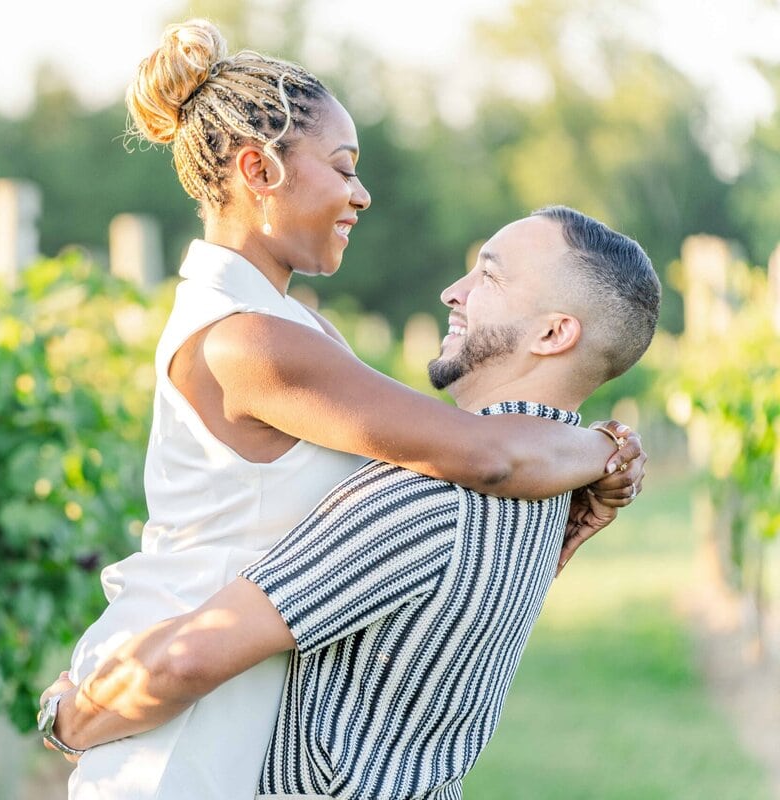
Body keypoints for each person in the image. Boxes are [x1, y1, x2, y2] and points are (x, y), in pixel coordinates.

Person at [58, 19, 644, 800]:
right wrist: (605, 451)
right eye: (342, 167)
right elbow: (483, 455)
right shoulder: (247, 342)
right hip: (179, 720)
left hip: (230, 691)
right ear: (259, 169)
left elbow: (438, 513)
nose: (361, 193)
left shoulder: (301, 330)